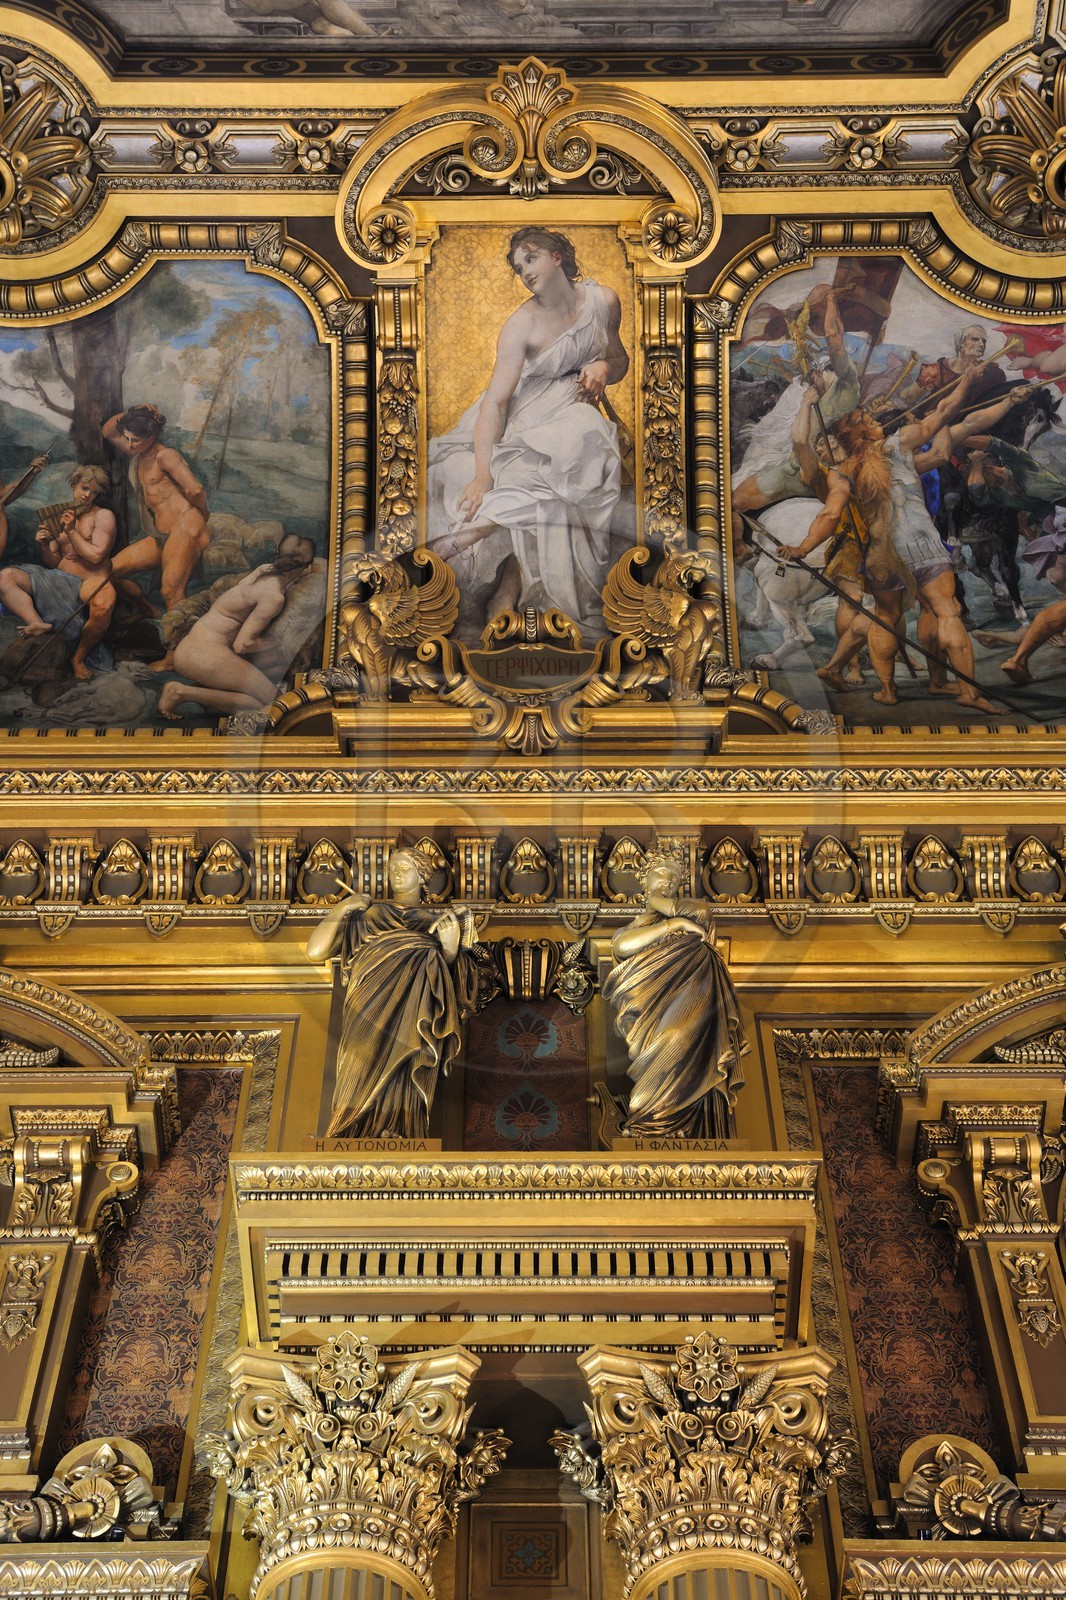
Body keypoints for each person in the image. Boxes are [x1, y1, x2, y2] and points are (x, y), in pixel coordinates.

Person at [784, 380, 1042, 709]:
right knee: (946, 611)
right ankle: (968, 693)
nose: (876, 421)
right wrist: (977, 386)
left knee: (886, 616)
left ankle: (889, 690)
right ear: (861, 434)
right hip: (917, 546)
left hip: (882, 555)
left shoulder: (849, 471)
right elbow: (951, 416)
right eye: (868, 420)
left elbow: (830, 512)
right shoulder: (893, 449)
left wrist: (804, 548)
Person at [426, 226, 629, 639]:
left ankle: (485, 556)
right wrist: (483, 474)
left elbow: (619, 360)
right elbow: (496, 402)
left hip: (571, 412)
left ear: (557, 257)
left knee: (585, 434)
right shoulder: (521, 324)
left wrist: (604, 367)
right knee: (574, 446)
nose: (525, 272)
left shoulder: (604, 301)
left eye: (531, 259)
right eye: (519, 268)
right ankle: (497, 582)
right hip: (522, 419)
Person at [306, 846, 479, 1139]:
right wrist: (342, 908)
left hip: (414, 1005)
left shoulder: (435, 922)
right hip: (367, 999)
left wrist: (449, 951)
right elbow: (315, 951)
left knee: (405, 1061)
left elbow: (460, 994)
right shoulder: (369, 915)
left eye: (404, 867)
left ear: (422, 876)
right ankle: (348, 1129)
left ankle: (399, 1129)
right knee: (359, 1058)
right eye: (392, 869)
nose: (396, 873)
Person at [603, 844, 747, 1140]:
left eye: (675, 878)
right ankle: (652, 1118)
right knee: (662, 1042)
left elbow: (696, 912)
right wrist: (672, 925)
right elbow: (622, 946)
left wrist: (670, 911)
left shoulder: (695, 913)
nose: (669, 881)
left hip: (694, 992)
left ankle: (657, 1118)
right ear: (643, 879)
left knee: (677, 1037)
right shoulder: (635, 929)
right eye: (661, 873)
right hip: (648, 1009)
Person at [731, 287, 859, 538]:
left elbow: (834, 337)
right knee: (735, 499)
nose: (818, 375)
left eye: (824, 369)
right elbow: (796, 440)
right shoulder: (808, 394)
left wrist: (831, 300)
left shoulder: (846, 388)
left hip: (822, 474)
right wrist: (806, 403)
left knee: (736, 501)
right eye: (817, 370)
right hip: (798, 468)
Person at [158, 533, 315, 720]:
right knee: (277, 704)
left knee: (256, 704)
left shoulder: (262, 570)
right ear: (305, 566)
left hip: (190, 648)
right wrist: (277, 643)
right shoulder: (273, 597)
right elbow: (242, 645)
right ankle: (179, 692)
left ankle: (199, 693)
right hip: (205, 656)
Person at [0, 465, 116, 680]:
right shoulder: (57, 515)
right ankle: (36, 623)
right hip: (58, 578)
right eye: (84, 488)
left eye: (94, 492)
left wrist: (70, 531)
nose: (87, 495)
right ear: (74, 486)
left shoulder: (103, 516)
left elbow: (96, 556)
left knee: (105, 604)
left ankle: (78, 658)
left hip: (90, 579)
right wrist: (44, 545)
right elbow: (52, 561)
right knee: (5, 577)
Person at [102, 403, 210, 616]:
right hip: (161, 535)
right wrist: (135, 412)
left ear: (151, 437)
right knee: (108, 571)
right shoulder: (139, 453)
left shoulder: (165, 455)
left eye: (135, 440)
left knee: (171, 590)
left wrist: (201, 516)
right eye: (127, 439)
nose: (130, 444)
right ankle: (150, 612)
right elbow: (108, 431)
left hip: (185, 526)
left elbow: (195, 490)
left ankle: (177, 638)